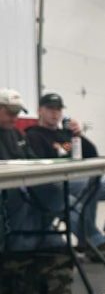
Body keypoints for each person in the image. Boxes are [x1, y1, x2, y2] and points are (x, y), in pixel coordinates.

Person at [25, 93, 105, 260]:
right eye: (50, 109)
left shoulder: (66, 134)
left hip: (80, 179)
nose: (54, 113)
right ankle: (92, 242)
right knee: (90, 183)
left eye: (58, 109)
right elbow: (40, 165)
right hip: (57, 183)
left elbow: (92, 154)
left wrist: (78, 135)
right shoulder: (33, 135)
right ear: (40, 111)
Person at [0, 88, 65, 251]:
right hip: (8, 189)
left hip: (23, 184)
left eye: (17, 113)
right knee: (21, 195)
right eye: (10, 113)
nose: (14, 117)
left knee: (55, 190)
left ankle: (44, 239)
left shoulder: (17, 134)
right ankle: (20, 248)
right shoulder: (26, 133)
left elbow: (33, 160)